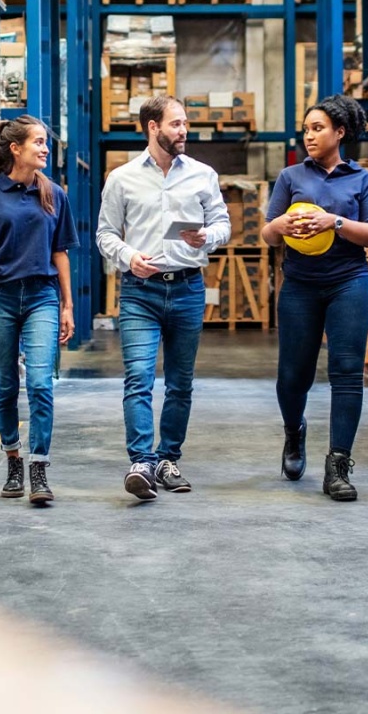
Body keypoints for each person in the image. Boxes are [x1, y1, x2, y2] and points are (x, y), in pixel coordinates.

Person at [96, 95, 231, 501]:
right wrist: (128, 257)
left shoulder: (203, 174)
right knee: (138, 378)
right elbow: (105, 234)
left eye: (185, 123)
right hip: (140, 291)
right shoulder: (122, 179)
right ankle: (141, 461)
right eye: (175, 124)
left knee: (180, 383)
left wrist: (208, 236)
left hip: (189, 287)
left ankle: (169, 459)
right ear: (152, 127)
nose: (183, 131)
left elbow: (223, 223)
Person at [264, 94, 368, 502]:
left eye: (318, 129)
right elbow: (267, 234)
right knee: (292, 376)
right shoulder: (291, 177)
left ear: (341, 132)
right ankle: (294, 432)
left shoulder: (362, 179)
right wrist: (280, 224)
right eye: (306, 129)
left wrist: (333, 220)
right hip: (299, 284)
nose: (309, 136)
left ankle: (338, 465)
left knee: (347, 372)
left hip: (348, 282)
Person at [0, 116, 78, 506]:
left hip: (43, 295)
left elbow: (60, 252)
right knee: (6, 383)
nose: (45, 149)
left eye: (45, 143)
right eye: (39, 142)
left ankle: (39, 466)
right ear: (16, 149)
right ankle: (13, 457)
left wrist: (67, 304)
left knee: (41, 383)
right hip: (3, 296)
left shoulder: (54, 194)